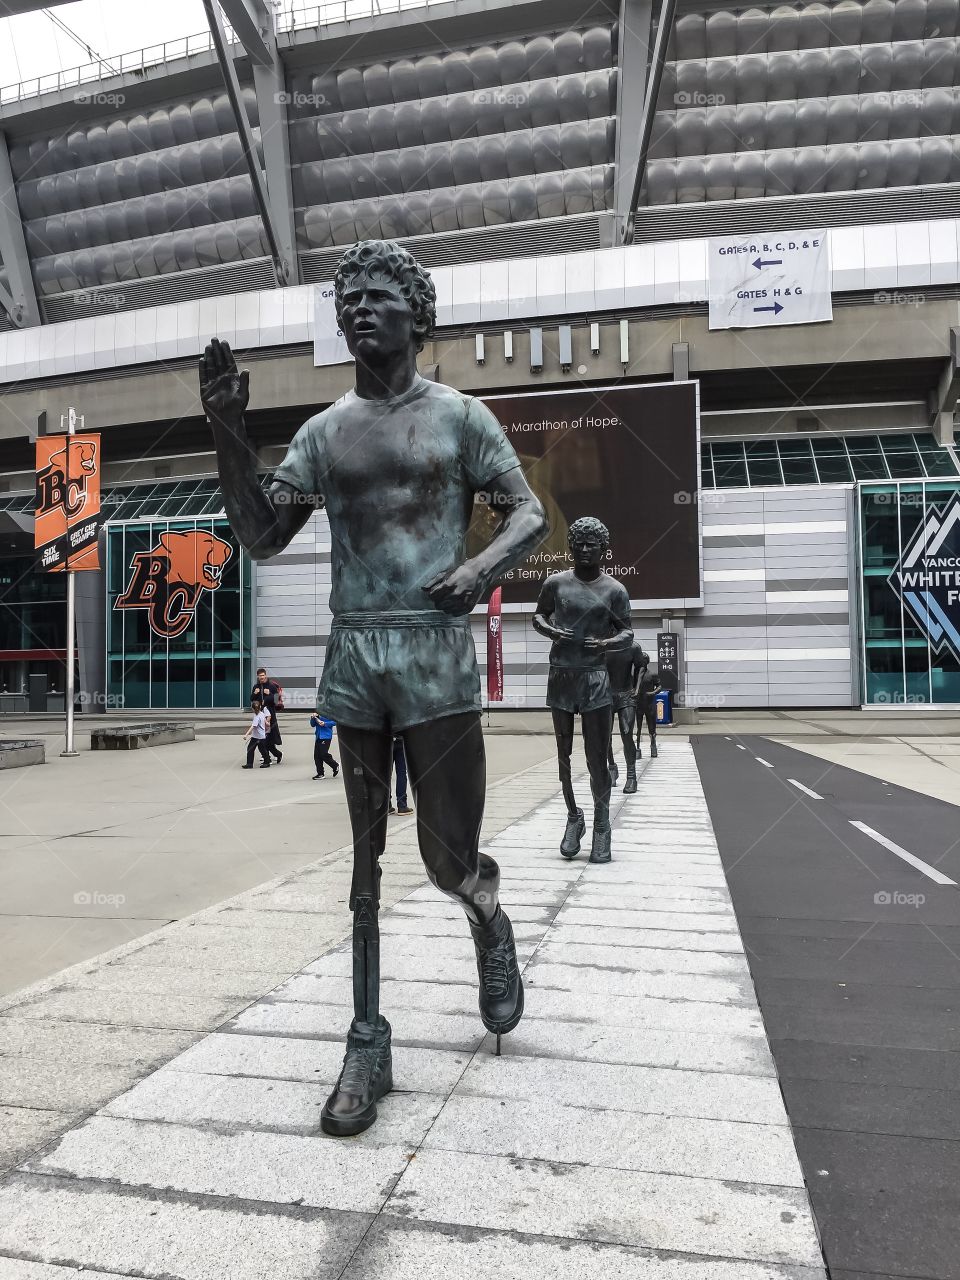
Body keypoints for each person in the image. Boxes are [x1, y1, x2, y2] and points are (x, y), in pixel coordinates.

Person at [200, 238, 547, 1137]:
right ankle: (367, 1038)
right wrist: (226, 429)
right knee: (362, 863)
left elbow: (530, 512)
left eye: (378, 295)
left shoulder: (461, 418)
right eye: (347, 297)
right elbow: (263, 535)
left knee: (443, 857)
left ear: (417, 315)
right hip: (356, 655)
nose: (358, 308)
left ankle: (486, 909)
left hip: (435, 652)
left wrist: (478, 573)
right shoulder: (322, 433)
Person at [533, 517, 633, 863]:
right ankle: (574, 817)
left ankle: (602, 824)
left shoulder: (615, 590)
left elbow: (627, 633)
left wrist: (605, 642)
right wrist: (550, 631)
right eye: (580, 543)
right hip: (561, 675)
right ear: (570, 547)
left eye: (593, 544)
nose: (586, 549)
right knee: (563, 757)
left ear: (605, 549)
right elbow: (538, 616)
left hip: (594, 678)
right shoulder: (555, 583)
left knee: (596, 758)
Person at [606, 640, 649, 793]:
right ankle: (611, 766)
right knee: (605, 736)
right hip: (605, 695)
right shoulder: (599, 644)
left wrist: (636, 688)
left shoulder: (632, 646)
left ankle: (631, 776)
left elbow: (641, 666)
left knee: (626, 732)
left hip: (627, 694)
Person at [251, 666, 283, 763]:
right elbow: (252, 699)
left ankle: (273, 755)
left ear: (266, 675)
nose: (262, 677)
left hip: (270, 714)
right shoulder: (256, 687)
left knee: (269, 737)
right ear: (258, 676)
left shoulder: (272, 686)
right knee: (262, 736)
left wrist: (270, 694)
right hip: (259, 714)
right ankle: (267, 756)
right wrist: (255, 694)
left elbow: (276, 700)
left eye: (263, 675)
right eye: (260, 676)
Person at [388, 734, 413, 815]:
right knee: (401, 773)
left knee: (386, 774)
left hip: (386, 740)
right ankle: (402, 805)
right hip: (400, 739)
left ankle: (386, 805)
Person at [242, 699, 271, 768]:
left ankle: (250, 764)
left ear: (252, 709)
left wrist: (246, 735)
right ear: (260, 707)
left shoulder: (257, 717)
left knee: (250, 749)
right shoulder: (262, 713)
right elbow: (265, 721)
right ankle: (267, 762)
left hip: (257, 737)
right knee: (262, 749)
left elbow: (253, 726)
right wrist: (267, 724)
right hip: (261, 736)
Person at [311, 712, 340, 779]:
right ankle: (320, 774)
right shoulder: (317, 713)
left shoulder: (329, 711)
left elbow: (335, 722)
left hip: (326, 736)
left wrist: (325, 724)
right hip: (318, 736)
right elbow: (312, 725)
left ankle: (335, 765)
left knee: (323, 754)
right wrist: (312, 718)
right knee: (317, 756)